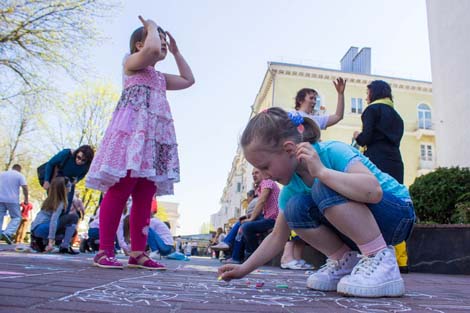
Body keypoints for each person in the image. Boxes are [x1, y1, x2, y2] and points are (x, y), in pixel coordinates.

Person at [218, 107, 415, 298]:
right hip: (363, 228)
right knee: (295, 208)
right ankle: (344, 261)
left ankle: (380, 260)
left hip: (397, 215)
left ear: (288, 149)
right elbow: (278, 236)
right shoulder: (291, 187)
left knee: (322, 186)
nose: (263, 175)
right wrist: (244, 268)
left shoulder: (332, 151)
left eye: (265, 166)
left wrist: (322, 172)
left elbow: (374, 191)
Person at [86, 15, 194, 270]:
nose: (163, 44)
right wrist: (152, 26)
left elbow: (189, 80)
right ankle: (104, 250)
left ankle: (138, 252)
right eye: (159, 39)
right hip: (132, 135)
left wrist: (177, 52)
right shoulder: (131, 63)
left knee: (145, 193)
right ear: (139, 45)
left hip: (153, 137)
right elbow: (153, 49)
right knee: (121, 187)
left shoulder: (159, 77)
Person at [353, 80, 408, 273]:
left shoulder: (371, 110)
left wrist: (357, 136)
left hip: (376, 161)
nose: (366, 97)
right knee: (395, 202)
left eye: (367, 93)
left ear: (374, 93)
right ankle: (401, 260)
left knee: (374, 204)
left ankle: (377, 256)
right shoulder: (397, 116)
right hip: (395, 161)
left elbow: (366, 138)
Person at [30, 177, 79, 254]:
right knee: (73, 217)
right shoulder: (60, 202)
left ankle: (41, 242)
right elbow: (54, 220)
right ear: (64, 188)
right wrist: (51, 241)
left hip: (36, 230)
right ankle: (64, 246)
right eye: (69, 185)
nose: (71, 187)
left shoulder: (50, 199)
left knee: (72, 231)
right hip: (43, 228)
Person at [43, 145, 94, 213]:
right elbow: (50, 164)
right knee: (51, 204)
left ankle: (59, 221)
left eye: (83, 160)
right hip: (57, 180)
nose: (79, 161)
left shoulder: (87, 166)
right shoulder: (66, 154)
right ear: (76, 153)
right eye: (78, 157)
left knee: (65, 208)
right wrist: (46, 180)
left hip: (69, 184)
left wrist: (77, 179)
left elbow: (82, 175)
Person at [0, 164, 29, 244]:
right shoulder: (20, 175)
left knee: (0, 216)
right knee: (16, 217)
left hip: (0, 199)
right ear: (19, 169)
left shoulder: (2, 174)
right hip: (12, 200)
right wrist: (26, 199)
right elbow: (25, 187)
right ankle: (7, 233)